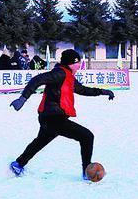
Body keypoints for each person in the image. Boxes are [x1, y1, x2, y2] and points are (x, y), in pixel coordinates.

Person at [9, 49, 114, 180]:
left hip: (50, 117)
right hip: (53, 118)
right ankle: (87, 172)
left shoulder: (69, 76)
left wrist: (103, 92)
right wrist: (22, 99)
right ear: (71, 63)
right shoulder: (59, 73)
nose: (79, 66)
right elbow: (37, 80)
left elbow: (82, 90)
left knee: (39, 142)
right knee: (87, 136)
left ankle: (18, 164)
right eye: (77, 63)